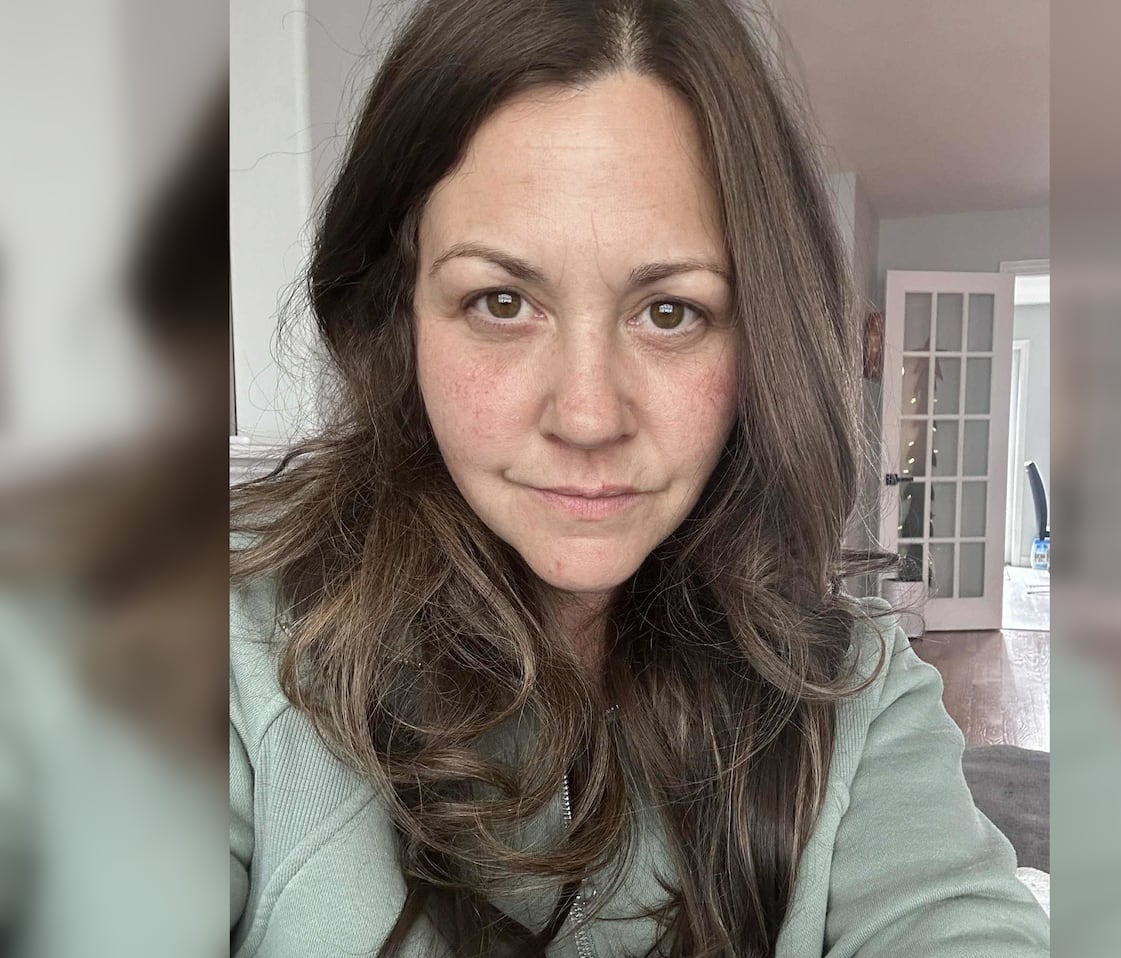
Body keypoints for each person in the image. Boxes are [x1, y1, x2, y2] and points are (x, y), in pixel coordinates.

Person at [230, 1, 1050, 955]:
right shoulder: (225, 659)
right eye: (501, 301)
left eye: (669, 311)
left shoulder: (854, 696)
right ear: (398, 313)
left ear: (758, 342)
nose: (588, 415)